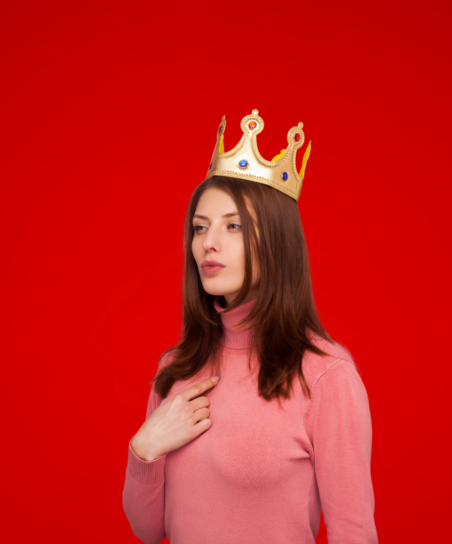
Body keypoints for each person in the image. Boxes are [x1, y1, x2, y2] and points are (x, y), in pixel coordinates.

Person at [122, 110, 377, 544]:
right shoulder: (177, 367)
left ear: (277, 240)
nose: (208, 243)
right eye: (200, 228)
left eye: (233, 226)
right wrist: (143, 450)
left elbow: (353, 532)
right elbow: (149, 531)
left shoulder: (325, 375)